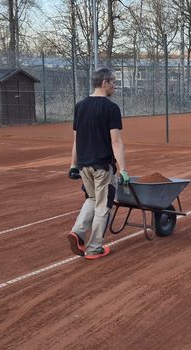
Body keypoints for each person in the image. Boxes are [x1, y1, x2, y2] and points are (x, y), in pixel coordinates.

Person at [67, 68, 130, 260]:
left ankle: (78, 232)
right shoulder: (111, 108)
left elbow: (76, 140)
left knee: (92, 199)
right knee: (104, 205)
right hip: (102, 166)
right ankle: (94, 248)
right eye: (113, 82)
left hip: (84, 165)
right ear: (104, 83)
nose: (115, 86)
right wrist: (124, 170)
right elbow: (116, 142)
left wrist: (73, 165)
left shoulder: (80, 106)